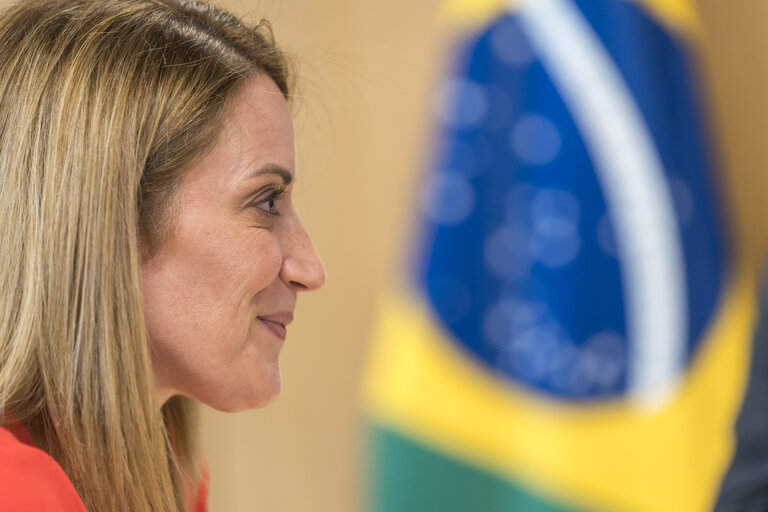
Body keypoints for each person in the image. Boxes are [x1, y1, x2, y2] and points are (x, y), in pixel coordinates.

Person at [0, 0, 326, 511]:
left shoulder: (167, 479)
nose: (310, 269)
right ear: (112, 219)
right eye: (265, 201)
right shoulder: (16, 490)